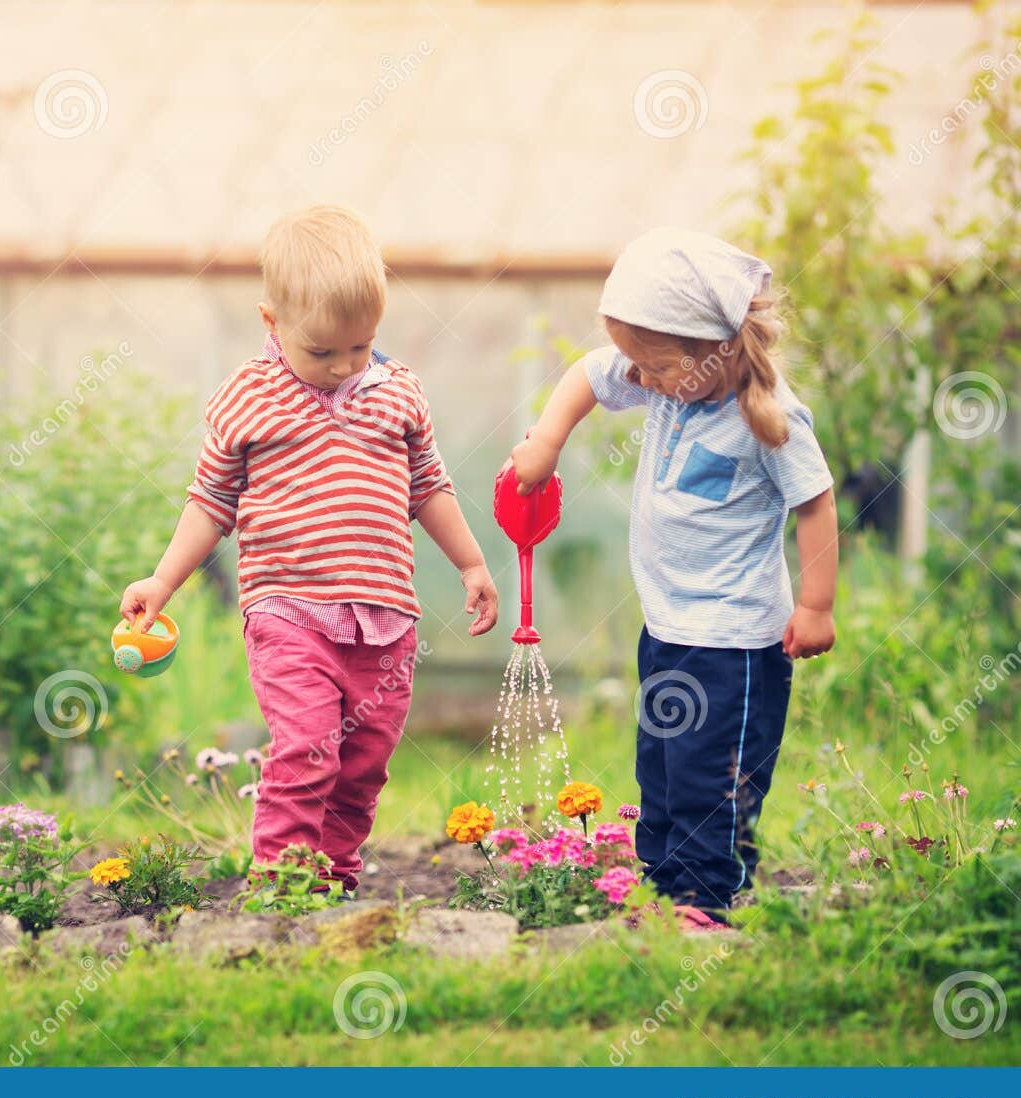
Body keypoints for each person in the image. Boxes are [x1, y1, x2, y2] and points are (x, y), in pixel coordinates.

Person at [120, 204, 497, 896]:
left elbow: (430, 487)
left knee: (363, 761)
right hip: (288, 610)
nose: (342, 365)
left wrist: (471, 562)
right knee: (308, 746)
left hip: (385, 619)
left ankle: (336, 875)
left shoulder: (399, 394)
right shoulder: (249, 397)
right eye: (321, 351)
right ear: (273, 322)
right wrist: (163, 579)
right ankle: (282, 881)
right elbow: (210, 502)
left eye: (359, 347)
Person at [510, 227, 838, 929]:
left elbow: (816, 501)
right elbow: (586, 376)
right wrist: (544, 442)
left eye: (655, 367)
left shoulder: (770, 415)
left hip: (736, 640)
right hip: (669, 628)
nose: (641, 379)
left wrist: (816, 604)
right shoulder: (666, 377)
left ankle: (708, 898)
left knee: (711, 775)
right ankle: (665, 886)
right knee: (661, 766)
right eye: (639, 365)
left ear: (711, 349)